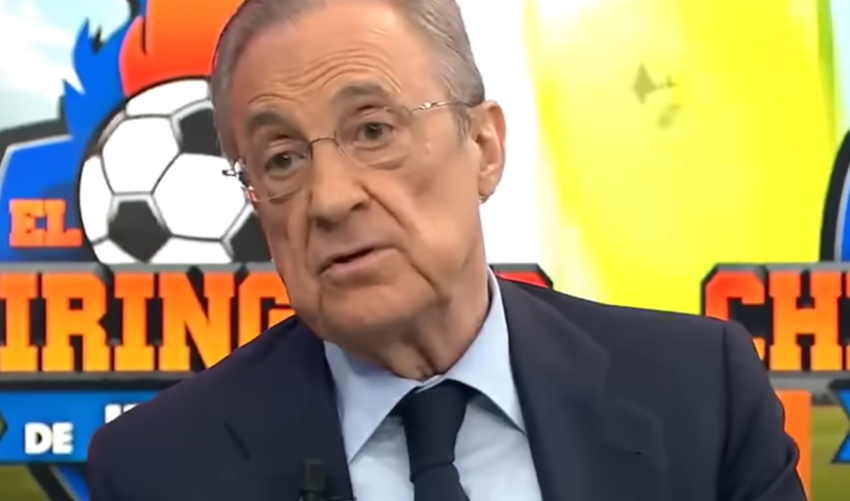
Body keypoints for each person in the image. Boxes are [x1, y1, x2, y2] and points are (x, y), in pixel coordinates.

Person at [86, 0, 807, 500]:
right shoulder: (158, 469)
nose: (329, 199)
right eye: (281, 160)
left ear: (484, 146)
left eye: (373, 130)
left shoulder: (698, 395)